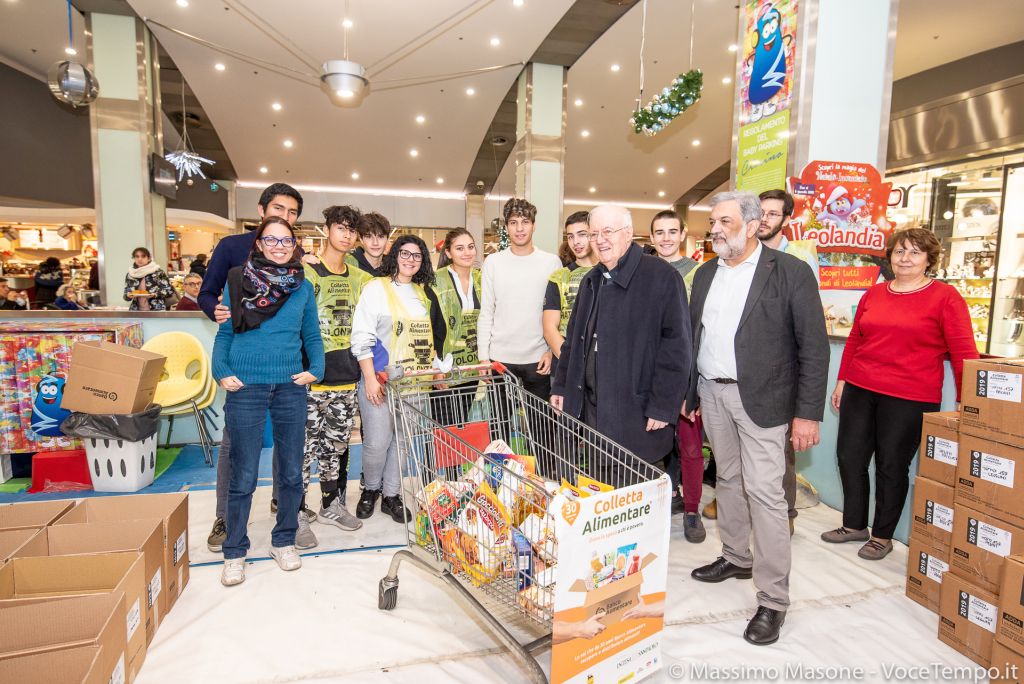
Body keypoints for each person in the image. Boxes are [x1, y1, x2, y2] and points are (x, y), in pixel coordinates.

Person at [685, 191, 828, 646]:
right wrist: (691, 392)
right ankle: (735, 555)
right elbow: (695, 338)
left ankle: (772, 599)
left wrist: (807, 413)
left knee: (766, 494)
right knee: (726, 479)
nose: (715, 229)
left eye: (724, 221)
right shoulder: (705, 274)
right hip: (712, 392)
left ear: (751, 225)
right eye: (712, 222)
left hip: (765, 401)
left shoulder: (789, 272)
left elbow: (814, 347)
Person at [823, 228, 977, 560]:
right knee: (849, 457)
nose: (904, 259)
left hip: (910, 396)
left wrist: (970, 400)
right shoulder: (874, 293)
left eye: (914, 253)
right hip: (861, 388)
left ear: (929, 260)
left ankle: (882, 535)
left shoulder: (945, 297)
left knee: (891, 466)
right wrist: (842, 380)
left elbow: (964, 352)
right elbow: (855, 341)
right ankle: (853, 525)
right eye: (898, 252)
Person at [213, 215, 324, 587]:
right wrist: (220, 369)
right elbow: (224, 333)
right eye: (271, 240)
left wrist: (318, 368)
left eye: (286, 241)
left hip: (291, 386)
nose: (279, 246)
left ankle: (284, 540)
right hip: (246, 386)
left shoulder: (302, 287)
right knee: (242, 473)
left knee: (291, 471)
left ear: (294, 245)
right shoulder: (236, 281)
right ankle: (234, 550)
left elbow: (312, 334)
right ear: (258, 244)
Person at [198, 182, 305, 553]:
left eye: (292, 214)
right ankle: (225, 518)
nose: (284, 219)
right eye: (278, 209)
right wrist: (217, 310)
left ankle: (284, 507)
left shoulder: (295, 254)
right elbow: (207, 292)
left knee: (287, 446)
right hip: (245, 369)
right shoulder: (232, 248)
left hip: (285, 373)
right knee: (236, 448)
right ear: (261, 211)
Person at [551, 204, 691, 486]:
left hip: (637, 410)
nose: (600, 239)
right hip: (594, 407)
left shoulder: (661, 277)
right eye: (594, 233)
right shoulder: (592, 279)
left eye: (608, 231)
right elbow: (574, 341)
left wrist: (663, 406)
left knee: (635, 496)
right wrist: (562, 386)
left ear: (628, 234)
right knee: (603, 489)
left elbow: (677, 348)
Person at [351, 234, 446, 522]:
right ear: (395, 255)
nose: (410, 260)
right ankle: (371, 489)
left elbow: (430, 340)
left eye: (417, 255)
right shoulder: (375, 289)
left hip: (415, 382)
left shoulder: (423, 294)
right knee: (377, 441)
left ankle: (391, 495)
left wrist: (436, 370)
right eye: (405, 253)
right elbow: (362, 336)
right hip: (380, 378)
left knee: (403, 441)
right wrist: (369, 378)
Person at [302, 205, 371, 542]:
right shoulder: (306, 273)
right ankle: (297, 511)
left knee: (336, 446)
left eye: (351, 230)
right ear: (326, 229)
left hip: (346, 378)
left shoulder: (362, 280)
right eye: (340, 228)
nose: (346, 235)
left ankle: (330, 503)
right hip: (310, 380)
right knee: (303, 450)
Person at [650, 209, 704, 541]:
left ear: (683, 234)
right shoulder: (644, 271)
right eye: (660, 232)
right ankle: (664, 498)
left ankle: (693, 510)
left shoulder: (700, 273)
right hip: (650, 373)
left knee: (690, 444)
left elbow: (699, 327)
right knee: (654, 443)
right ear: (651, 237)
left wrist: (693, 382)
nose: (666, 238)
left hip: (685, 370)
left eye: (673, 231)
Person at [478, 198, 561, 400]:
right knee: (501, 426)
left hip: (539, 358)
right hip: (500, 359)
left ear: (534, 225)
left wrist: (552, 351)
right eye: (514, 222)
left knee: (542, 427)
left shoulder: (551, 263)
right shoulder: (493, 262)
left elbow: (559, 315)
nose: (520, 228)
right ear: (506, 227)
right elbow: (486, 312)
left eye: (525, 222)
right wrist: (482, 357)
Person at [433, 228, 482, 426]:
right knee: (444, 429)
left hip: (472, 366)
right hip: (445, 368)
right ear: (448, 253)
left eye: (470, 247)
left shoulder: (481, 279)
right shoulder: (435, 280)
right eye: (459, 248)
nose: (467, 252)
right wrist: (435, 367)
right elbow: (430, 326)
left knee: (462, 425)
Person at [543, 211, 595, 380]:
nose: (576, 242)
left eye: (582, 235)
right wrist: (572, 363)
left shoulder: (610, 272)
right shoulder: (559, 277)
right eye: (570, 236)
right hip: (566, 370)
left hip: (602, 369)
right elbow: (550, 327)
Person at [124, 247, 174, 311]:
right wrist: (128, 296)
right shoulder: (131, 274)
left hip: (156, 309)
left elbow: (169, 290)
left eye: (143, 256)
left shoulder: (158, 272)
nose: (140, 259)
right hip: (136, 310)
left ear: (149, 258)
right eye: (137, 256)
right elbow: (126, 295)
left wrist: (155, 294)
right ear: (134, 258)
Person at [348, 212, 389, 277]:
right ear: (361, 239)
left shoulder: (392, 268)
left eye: (380, 237)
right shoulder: (349, 265)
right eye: (369, 237)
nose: (375, 243)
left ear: (387, 239)